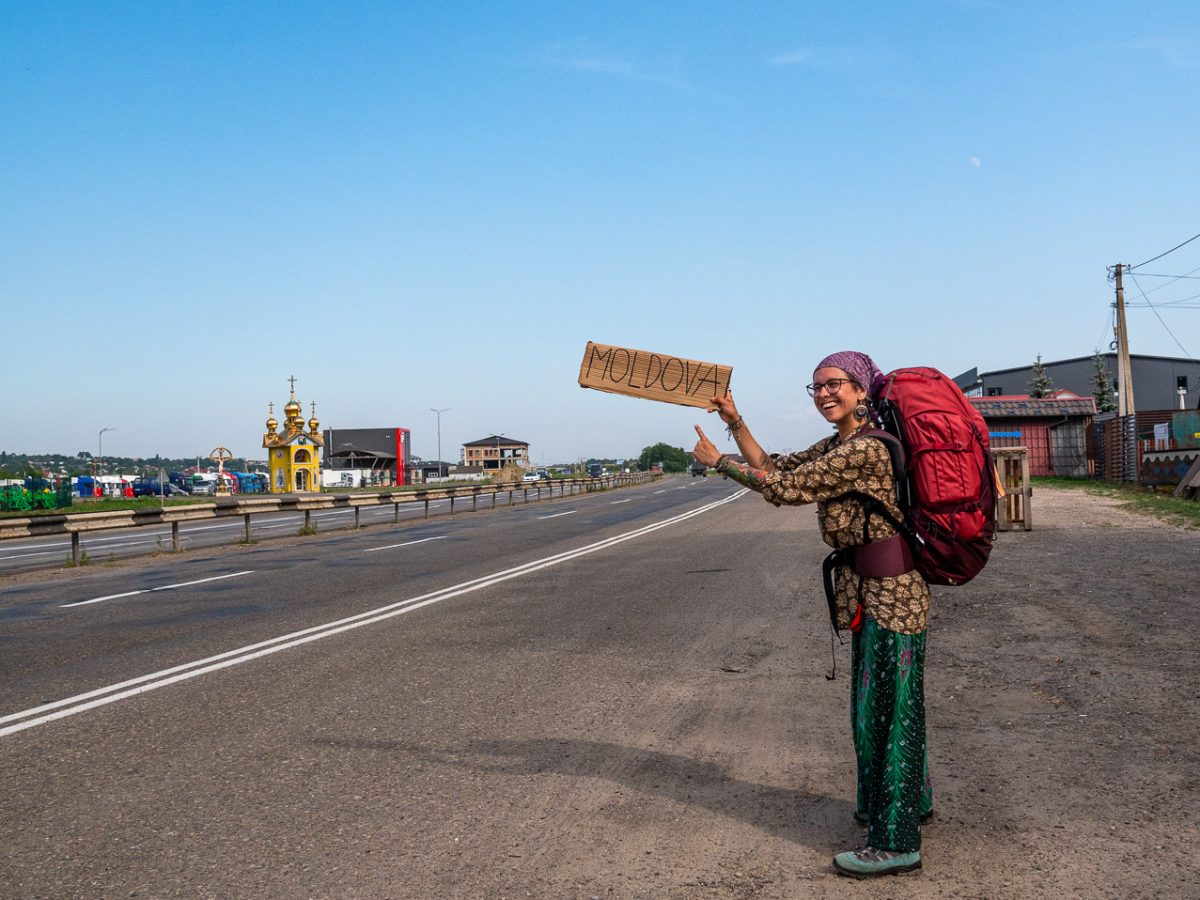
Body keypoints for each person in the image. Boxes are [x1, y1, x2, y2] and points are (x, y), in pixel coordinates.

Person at [691, 351, 932, 879]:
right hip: (870, 590)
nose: (824, 394)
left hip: (892, 593)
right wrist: (735, 422)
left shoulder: (866, 450)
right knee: (883, 703)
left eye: (835, 385)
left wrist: (718, 463)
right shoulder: (840, 443)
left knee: (885, 710)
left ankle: (896, 842)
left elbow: (782, 490)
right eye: (816, 387)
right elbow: (776, 467)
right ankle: (906, 801)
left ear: (862, 390)